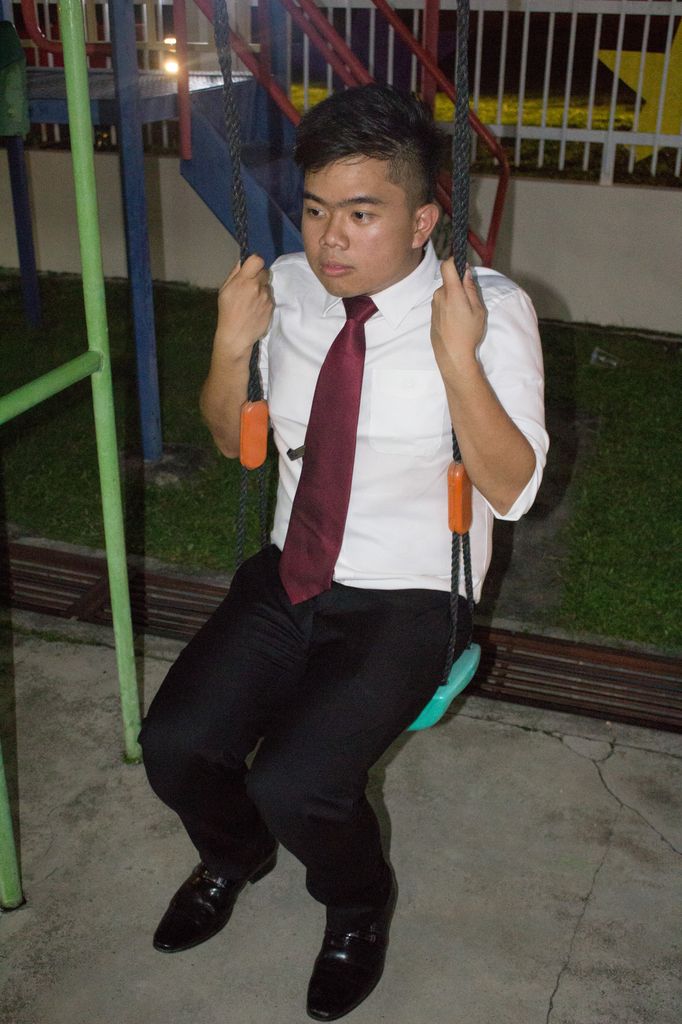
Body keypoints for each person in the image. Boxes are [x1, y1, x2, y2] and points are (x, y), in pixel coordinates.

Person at [139, 84, 548, 1021]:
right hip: (291, 571)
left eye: (362, 214)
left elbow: (514, 491)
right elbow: (233, 441)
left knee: (300, 782)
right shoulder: (287, 288)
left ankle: (358, 908)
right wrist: (227, 347)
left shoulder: (487, 309)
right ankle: (234, 855)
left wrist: (457, 361)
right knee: (175, 745)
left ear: (422, 220)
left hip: (410, 594)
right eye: (317, 210)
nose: (331, 240)